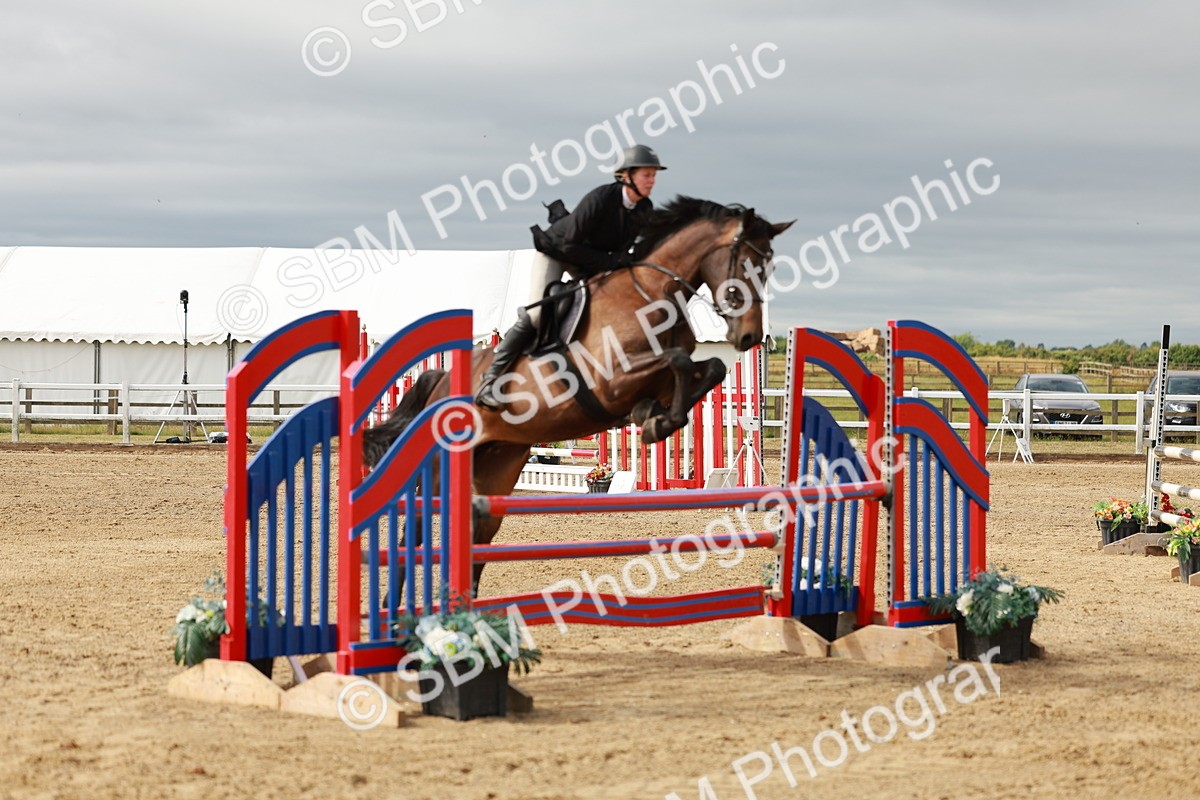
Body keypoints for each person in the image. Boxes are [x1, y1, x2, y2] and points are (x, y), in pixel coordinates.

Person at [474, 143, 666, 410]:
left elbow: (628, 250)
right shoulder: (600, 200)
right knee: (538, 315)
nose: (652, 181)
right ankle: (490, 379)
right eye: (647, 175)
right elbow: (570, 246)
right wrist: (612, 262)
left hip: (589, 261)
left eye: (654, 175)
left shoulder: (644, 208)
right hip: (557, 251)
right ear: (627, 176)